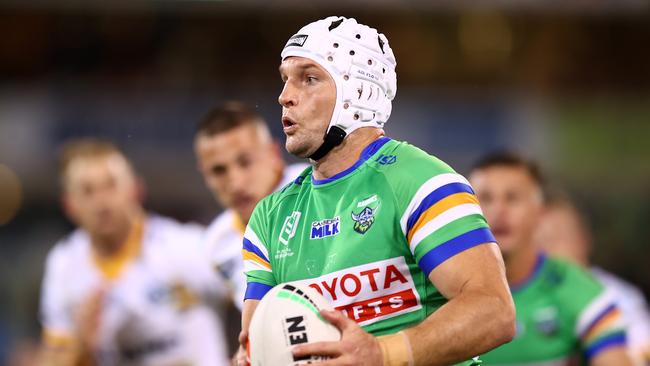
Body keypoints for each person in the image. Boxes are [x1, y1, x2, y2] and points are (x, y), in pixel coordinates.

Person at [237, 16, 516, 366]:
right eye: (285, 81)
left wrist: (383, 353)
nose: (284, 97)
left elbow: (494, 311)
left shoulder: (421, 181)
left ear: (359, 91)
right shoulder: (270, 217)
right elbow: (257, 345)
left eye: (309, 79)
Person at [39, 139, 229, 366]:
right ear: (69, 205)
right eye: (87, 191)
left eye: (110, 185)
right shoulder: (64, 264)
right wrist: (81, 344)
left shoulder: (186, 246)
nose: (101, 202)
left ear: (135, 189)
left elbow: (255, 295)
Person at [469, 152, 633, 365]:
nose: (499, 211)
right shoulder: (437, 290)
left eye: (512, 198)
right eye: (486, 198)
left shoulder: (581, 292)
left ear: (539, 213)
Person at [194, 101, 307, 311]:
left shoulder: (316, 192)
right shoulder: (217, 243)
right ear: (205, 176)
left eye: (245, 162)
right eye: (219, 171)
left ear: (273, 154)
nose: (235, 183)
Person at [535, 195, 650, 365]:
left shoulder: (616, 296)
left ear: (583, 241)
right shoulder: (518, 297)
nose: (548, 250)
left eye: (557, 238)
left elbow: (642, 350)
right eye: (539, 241)